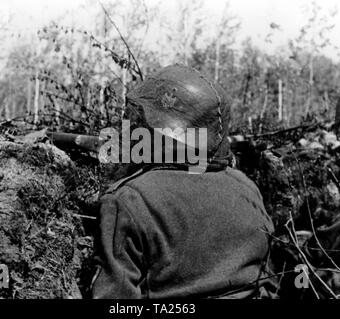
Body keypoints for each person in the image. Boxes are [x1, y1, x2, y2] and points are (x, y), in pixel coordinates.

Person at [90, 64, 275, 299]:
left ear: (157, 131)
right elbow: (269, 279)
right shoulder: (247, 188)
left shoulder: (129, 200)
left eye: (141, 122)